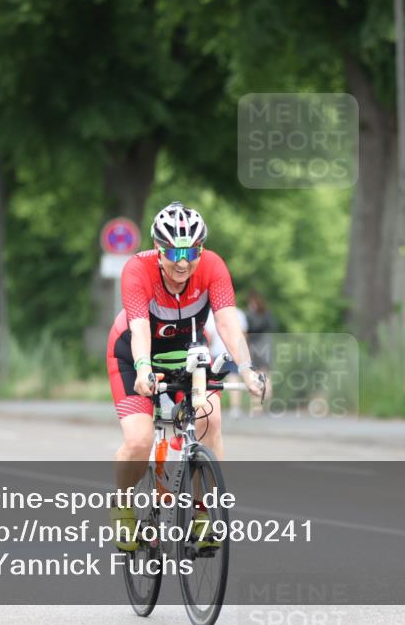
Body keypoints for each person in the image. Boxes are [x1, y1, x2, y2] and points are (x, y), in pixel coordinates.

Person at [105, 201, 264, 551]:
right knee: (138, 441)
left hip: (187, 351)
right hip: (133, 353)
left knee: (210, 419)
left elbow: (227, 323)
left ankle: (203, 514)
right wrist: (144, 368)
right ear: (158, 249)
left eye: (192, 250)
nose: (183, 261)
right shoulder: (137, 269)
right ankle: (122, 506)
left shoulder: (212, 267)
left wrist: (248, 368)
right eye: (174, 251)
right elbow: (140, 327)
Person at [204, 307, 248, 417]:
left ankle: (210, 406)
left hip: (216, 352)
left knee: (211, 380)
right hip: (233, 351)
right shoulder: (238, 313)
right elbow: (243, 334)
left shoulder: (211, 314)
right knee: (234, 378)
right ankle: (235, 407)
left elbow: (209, 336)